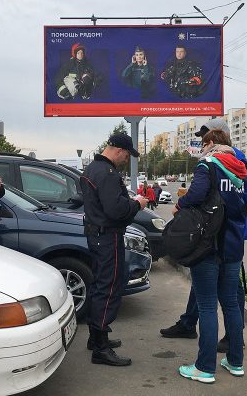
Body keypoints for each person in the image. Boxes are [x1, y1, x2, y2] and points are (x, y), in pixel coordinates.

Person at [174, 128, 247, 384]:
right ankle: (235, 361)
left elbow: (195, 195)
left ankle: (205, 367)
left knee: (206, 306)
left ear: (212, 143)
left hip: (208, 245)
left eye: (203, 144)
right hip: (234, 245)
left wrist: (180, 204)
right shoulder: (240, 166)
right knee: (230, 303)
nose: (202, 148)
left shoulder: (208, 165)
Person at [80, 133, 148, 367]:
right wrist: (136, 204)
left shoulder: (92, 168)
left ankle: (96, 337)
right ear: (118, 150)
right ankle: (101, 348)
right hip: (107, 236)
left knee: (99, 284)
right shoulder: (107, 173)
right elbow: (116, 210)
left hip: (97, 234)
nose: (125, 159)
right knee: (108, 288)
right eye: (127, 155)